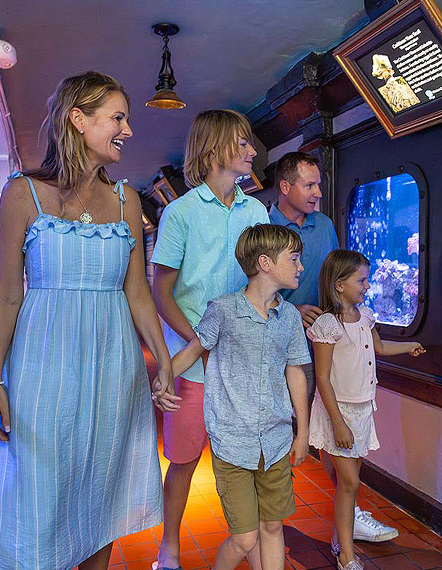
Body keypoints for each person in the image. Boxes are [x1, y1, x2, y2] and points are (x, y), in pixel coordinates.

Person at [0, 71, 177, 570]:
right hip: (42, 370)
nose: (128, 130)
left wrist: (165, 362)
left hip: (114, 370)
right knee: (38, 495)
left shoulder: (125, 200)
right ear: (78, 119)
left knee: (101, 497)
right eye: (117, 118)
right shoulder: (22, 193)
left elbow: (137, 290)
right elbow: (6, 295)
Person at [151, 109, 270, 570]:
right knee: (182, 461)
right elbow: (161, 291)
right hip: (194, 363)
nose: (251, 151)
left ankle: (251, 546)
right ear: (216, 147)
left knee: (246, 462)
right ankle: (170, 548)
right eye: (242, 143)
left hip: (244, 362)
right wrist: (201, 338)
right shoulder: (179, 213)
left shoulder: (256, 211)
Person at [270, 152, 397, 545]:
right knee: (276, 425)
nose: (318, 194)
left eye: (318, 185)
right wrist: (291, 308)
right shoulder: (260, 224)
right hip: (273, 343)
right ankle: (269, 517)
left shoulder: (323, 224)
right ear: (285, 187)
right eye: (309, 185)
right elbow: (249, 282)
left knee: (325, 429)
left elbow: (336, 277)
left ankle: (348, 512)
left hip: (319, 345)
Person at [170, 224, 311, 570]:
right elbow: (192, 351)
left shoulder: (290, 317)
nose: (300, 267)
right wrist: (160, 380)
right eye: (293, 259)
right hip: (232, 441)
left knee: (274, 525)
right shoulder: (223, 309)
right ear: (265, 262)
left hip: (276, 440)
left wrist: (303, 432)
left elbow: (295, 371)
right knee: (245, 538)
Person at [307, 249, 426, 570]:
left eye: (367, 280)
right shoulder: (327, 325)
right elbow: (321, 378)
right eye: (361, 280)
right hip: (338, 412)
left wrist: (409, 346)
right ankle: (346, 554)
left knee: (350, 480)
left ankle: (339, 537)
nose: (367, 286)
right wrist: (338, 424)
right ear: (339, 284)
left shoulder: (366, 317)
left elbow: (380, 347)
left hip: (361, 411)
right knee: (349, 483)